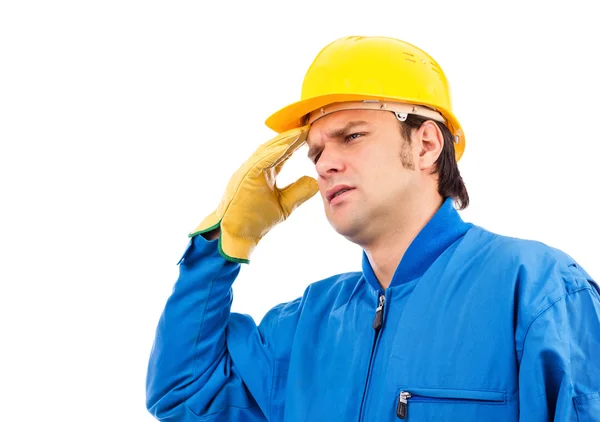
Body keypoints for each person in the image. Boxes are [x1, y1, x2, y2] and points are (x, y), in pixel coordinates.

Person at [145, 36, 600, 421]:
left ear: (425, 145)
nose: (325, 163)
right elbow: (183, 391)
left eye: (352, 136)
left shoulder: (537, 291)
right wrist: (223, 245)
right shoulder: (307, 323)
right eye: (315, 151)